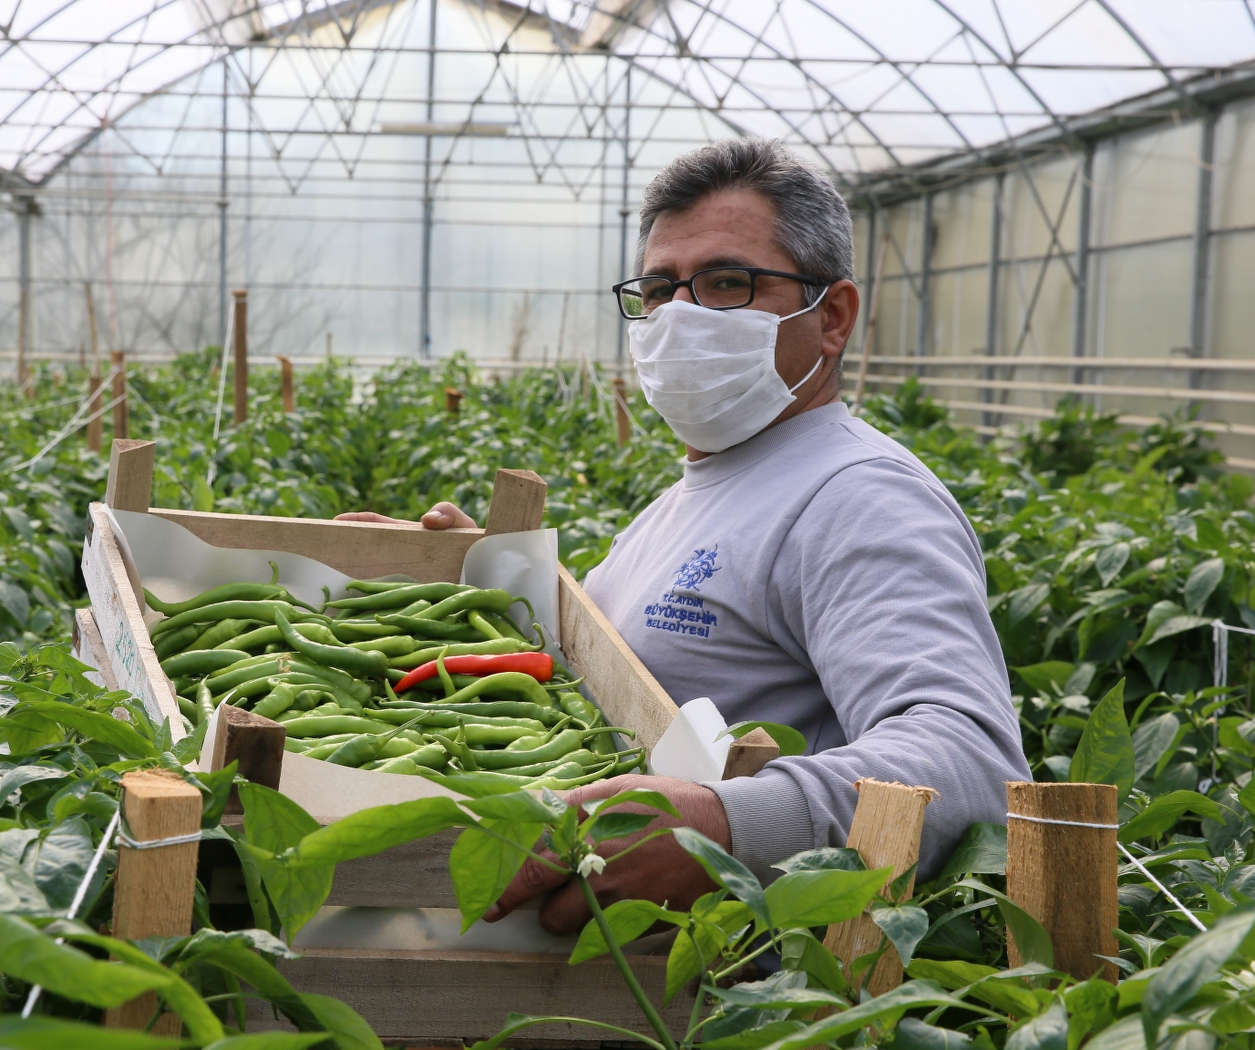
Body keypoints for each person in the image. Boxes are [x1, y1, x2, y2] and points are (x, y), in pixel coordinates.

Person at [338, 138, 1029, 936]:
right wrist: (473, 580)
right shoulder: (705, 486)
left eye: (727, 282)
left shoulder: (859, 496)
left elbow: (973, 765)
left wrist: (724, 825)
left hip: (713, 995)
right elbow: (606, 671)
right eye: (661, 289)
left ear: (831, 317)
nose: (680, 316)